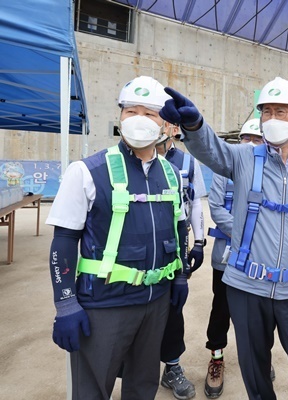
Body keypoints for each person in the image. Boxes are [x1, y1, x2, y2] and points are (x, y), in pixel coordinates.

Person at [159, 76, 288, 400]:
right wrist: (196, 126)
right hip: (246, 288)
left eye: (280, 112)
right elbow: (213, 151)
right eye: (266, 112)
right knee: (256, 373)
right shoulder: (243, 159)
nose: (271, 119)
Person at [46, 75, 189, 399]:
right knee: (91, 390)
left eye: (149, 113)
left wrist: (179, 276)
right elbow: (64, 241)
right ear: (120, 117)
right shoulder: (87, 171)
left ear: (165, 124)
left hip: (156, 304)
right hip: (104, 305)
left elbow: (179, 226)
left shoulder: (171, 174)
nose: (139, 120)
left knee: (143, 386)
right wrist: (66, 302)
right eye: (130, 111)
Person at [204, 118, 267, 398]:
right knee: (222, 310)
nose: (251, 144)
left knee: (257, 313)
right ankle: (216, 358)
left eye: (257, 139)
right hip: (228, 257)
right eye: (246, 138)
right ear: (238, 141)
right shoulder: (223, 171)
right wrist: (246, 235)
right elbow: (216, 207)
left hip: (259, 259)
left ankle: (257, 360)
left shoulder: (269, 173)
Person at [155, 123, 207, 400]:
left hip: (176, 243)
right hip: (140, 245)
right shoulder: (127, 158)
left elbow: (195, 202)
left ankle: (172, 367)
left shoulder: (187, 162)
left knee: (174, 306)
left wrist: (198, 242)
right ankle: (136, 369)